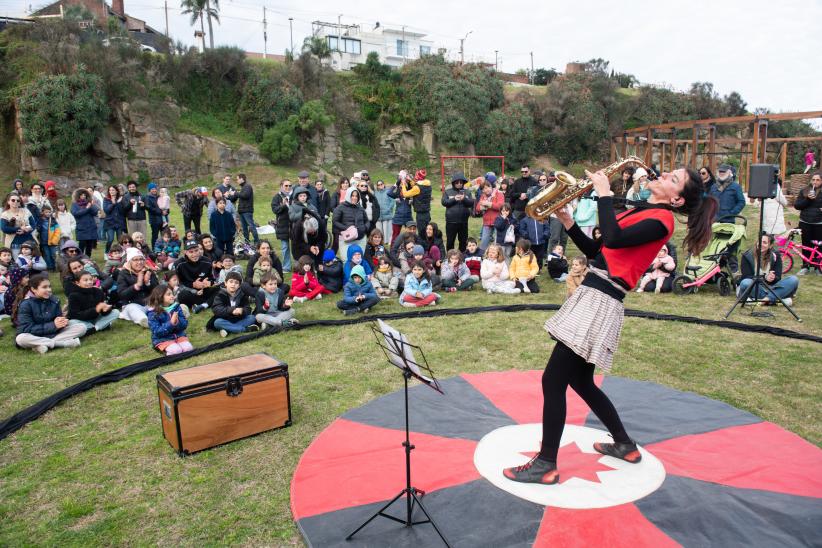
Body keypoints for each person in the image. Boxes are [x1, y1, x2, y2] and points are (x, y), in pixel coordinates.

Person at [503, 166, 717, 486]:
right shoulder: (649, 212)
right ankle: (624, 444)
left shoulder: (662, 221)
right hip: (596, 293)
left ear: (676, 199)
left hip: (600, 299)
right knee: (581, 381)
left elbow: (613, 238)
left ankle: (546, 464)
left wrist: (603, 192)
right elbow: (599, 251)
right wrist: (568, 221)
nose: (662, 176)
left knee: (553, 380)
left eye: (673, 179)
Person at [14, 273, 87, 353]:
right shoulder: (25, 304)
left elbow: (58, 320)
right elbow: (26, 328)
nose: (49, 290)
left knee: (82, 327)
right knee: (20, 338)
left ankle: (42, 345)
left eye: (49, 286)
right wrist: (53, 325)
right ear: (33, 289)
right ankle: (63, 344)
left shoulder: (54, 300)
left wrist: (62, 322)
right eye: (44, 287)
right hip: (33, 335)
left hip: (53, 333)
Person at [738, 233, 799, 305]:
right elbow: (746, 276)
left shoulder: (776, 255)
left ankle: (764, 300)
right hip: (756, 287)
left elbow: (778, 277)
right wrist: (765, 278)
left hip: (771, 287)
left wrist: (773, 278)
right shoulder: (747, 255)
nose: (761, 244)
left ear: (770, 246)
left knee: (793, 279)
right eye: (759, 241)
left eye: (764, 243)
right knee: (745, 283)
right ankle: (776, 299)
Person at [117, 248, 158, 328]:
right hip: (132, 303)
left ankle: (177, 311)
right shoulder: (123, 274)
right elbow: (122, 294)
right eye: (135, 260)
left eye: (141, 259)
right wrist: (136, 286)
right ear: (129, 262)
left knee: (158, 305)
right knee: (133, 309)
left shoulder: (148, 271)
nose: (139, 262)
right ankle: (144, 320)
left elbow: (158, 290)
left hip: (148, 302)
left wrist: (147, 283)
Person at [147, 284, 193, 355]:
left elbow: (184, 325)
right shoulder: (153, 313)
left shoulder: (176, 307)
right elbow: (157, 332)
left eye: (172, 294)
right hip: (162, 339)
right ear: (160, 297)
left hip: (179, 336)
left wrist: (177, 321)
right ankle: (162, 349)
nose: (172, 296)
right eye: (168, 294)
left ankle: (177, 345)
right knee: (176, 351)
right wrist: (171, 323)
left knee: (188, 349)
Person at [176, 240, 220, 313]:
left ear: (199, 250)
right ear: (185, 252)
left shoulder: (207, 261)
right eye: (191, 252)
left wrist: (209, 282)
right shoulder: (179, 264)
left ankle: (204, 305)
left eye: (196, 251)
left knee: (221, 289)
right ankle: (208, 303)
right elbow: (177, 283)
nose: (195, 254)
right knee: (182, 295)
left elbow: (213, 279)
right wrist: (193, 285)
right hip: (189, 292)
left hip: (204, 291)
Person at [209, 271, 258, 337]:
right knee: (217, 322)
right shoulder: (220, 295)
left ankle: (229, 329)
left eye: (236, 283)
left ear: (239, 285)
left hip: (239, 318)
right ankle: (245, 329)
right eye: (231, 282)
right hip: (225, 319)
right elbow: (216, 309)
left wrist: (242, 310)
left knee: (252, 318)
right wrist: (231, 310)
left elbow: (248, 309)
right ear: (226, 283)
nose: (233, 284)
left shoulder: (242, 295)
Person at [794, 172, 822, 275]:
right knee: (806, 244)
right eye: (813, 180)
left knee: (818, 246)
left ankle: (817, 267)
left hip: (819, 223)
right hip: (805, 222)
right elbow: (797, 206)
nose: (815, 182)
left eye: (818, 180)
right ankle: (805, 266)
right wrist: (808, 200)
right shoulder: (804, 191)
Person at [442, 172, 475, 253]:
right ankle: (449, 258)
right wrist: (454, 199)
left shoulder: (467, 192)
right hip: (451, 222)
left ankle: (462, 257)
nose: (459, 184)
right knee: (450, 241)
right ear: (454, 183)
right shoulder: (448, 191)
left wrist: (464, 199)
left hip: (463, 222)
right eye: (457, 182)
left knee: (463, 242)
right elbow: (444, 202)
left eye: (461, 182)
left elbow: (471, 203)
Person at [333, 187, 368, 261]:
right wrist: (347, 229)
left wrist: (364, 228)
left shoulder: (360, 208)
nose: (354, 198)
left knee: (359, 261)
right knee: (346, 260)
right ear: (348, 195)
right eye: (352, 196)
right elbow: (335, 221)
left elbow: (367, 221)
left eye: (356, 196)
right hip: (346, 239)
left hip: (360, 238)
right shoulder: (340, 207)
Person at [1, 193, 37, 259]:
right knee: (19, 264)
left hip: (29, 241)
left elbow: (33, 225)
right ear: (8, 202)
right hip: (15, 243)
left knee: (32, 263)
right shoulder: (5, 214)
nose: (15, 202)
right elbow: (4, 228)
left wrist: (25, 230)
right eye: (13, 200)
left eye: (18, 200)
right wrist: (19, 229)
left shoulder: (26, 211)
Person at [271, 180, 294, 273]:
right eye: (286, 185)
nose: (288, 187)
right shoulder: (277, 197)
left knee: (296, 247)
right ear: (281, 186)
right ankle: (286, 267)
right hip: (283, 225)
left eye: (290, 185)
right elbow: (275, 210)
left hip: (294, 224)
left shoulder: (294, 196)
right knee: (285, 247)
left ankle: (298, 266)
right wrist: (283, 205)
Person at [476, 180, 505, 252]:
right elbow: (477, 208)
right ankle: (482, 258)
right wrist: (483, 207)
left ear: (491, 186)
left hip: (498, 222)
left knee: (497, 243)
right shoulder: (483, 196)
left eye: (488, 187)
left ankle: (498, 258)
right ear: (482, 190)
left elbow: (500, 206)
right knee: (484, 242)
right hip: (487, 222)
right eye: (484, 188)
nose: (487, 189)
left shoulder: (499, 194)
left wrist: (489, 204)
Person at [70, 188, 100, 257]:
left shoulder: (89, 203)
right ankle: (79, 258)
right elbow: (76, 214)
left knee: (89, 245)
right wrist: (87, 208)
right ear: (78, 196)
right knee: (82, 244)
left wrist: (92, 205)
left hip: (91, 227)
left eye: (85, 195)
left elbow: (95, 212)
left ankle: (87, 258)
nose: (83, 196)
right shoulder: (75, 204)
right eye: (82, 195)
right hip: (81, 227)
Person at [387, 172, 416, 242]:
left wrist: (409, 181)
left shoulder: (410, 191)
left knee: (411, 235)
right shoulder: (397, 192)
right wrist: (396, 184)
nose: (403, 183)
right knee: (395, 236)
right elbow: (389, 193)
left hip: (408, 217)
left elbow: (417, 188)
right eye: (401, 182)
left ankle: (410, 249)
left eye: (405, 182)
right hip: (398, 217)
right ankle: (393, 252)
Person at [235, 173, 259, 245]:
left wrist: (236, 193)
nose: (237, 181)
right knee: (244, 228)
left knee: (251, 226)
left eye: (237, 179)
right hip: (242, 211)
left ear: (242, 179)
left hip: (247, 211)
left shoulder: (247, 186)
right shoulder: (243, 187)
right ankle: (247, 242)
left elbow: (245, 195)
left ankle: (257, 241)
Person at [102, 185, 126, 253]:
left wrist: (118, 203)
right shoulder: (106, 199)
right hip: (110, 223)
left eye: (113, 190)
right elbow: (106, 210)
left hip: (119, 222)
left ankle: (120, 252)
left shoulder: (120, 199)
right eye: (110, 190)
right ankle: (107, 252)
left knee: (120, 240)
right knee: (110, 239)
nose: (111, 192)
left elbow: (122, 211)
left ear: (116, 191)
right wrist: (113, 203)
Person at [37, 203, 59, 271]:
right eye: (46, 212)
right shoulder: (40, 220)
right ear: (42, 212)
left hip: (52, 241)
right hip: (43, 242)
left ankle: (55, 267)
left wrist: (55, 240)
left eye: (49, 212)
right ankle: (50, 267)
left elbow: (57, 231)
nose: (48, 213)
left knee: (53, 255)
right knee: (47, 255)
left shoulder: (53, 220)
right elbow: (38, 229)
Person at [374, 179, 395, 245]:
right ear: (377, 186)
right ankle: (380, 241)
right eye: (378, 185)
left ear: (383, 185)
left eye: (381, 184)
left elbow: (392, 201)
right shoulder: (375, 193)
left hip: (387, 213)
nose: (380, 186)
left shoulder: (388, 191)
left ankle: (388, 241)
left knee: (387, 229)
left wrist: (389, 209)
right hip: (378, 214)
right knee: (379, 229)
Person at [145, 183, 166, 248]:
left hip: (163, 220)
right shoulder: (147, 197)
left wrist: (166, 211)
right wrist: (160, 212)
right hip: (154, 220)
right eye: (152, 189)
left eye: (155, 189)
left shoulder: (159, 196)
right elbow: (149, 208)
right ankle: (154, 249)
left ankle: (165, 248)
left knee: (165, 234)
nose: (154, 190)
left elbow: (165, 205)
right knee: (155, 235)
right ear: (149, 190)